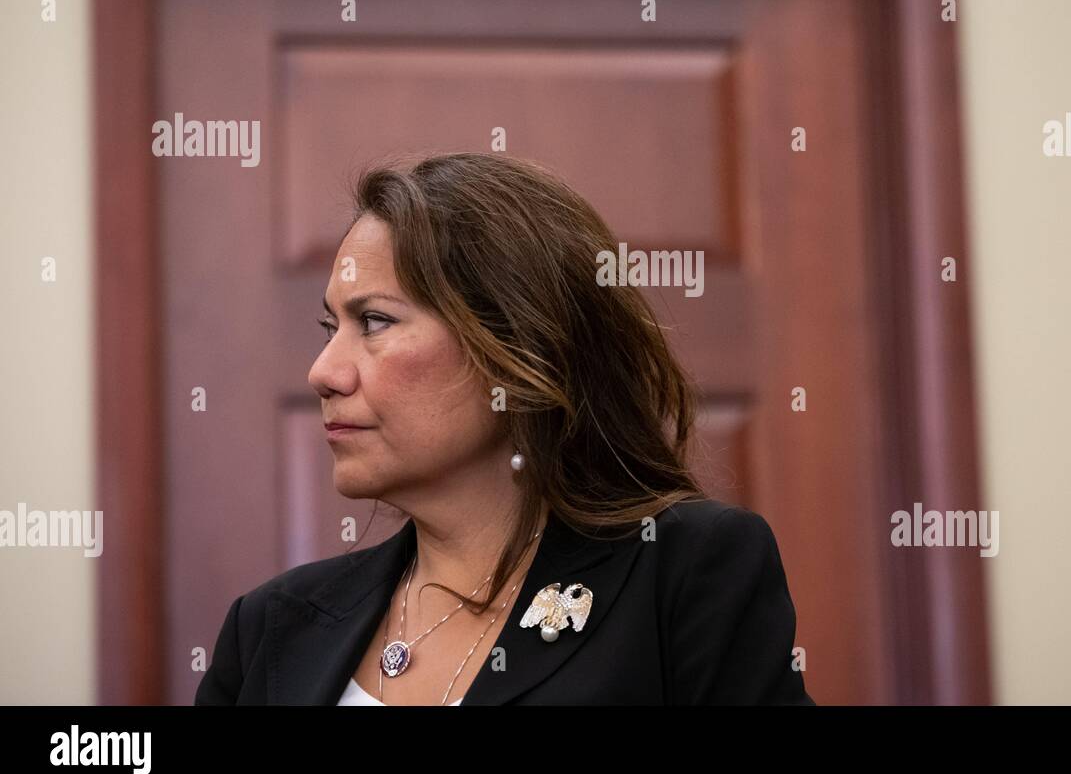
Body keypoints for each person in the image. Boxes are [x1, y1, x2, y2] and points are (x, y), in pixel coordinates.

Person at [194, 151, 814, 705]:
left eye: (376, 322)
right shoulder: (271, 627)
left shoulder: (682, 572)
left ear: (516, 349)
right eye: (332, 329)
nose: (322, 373)